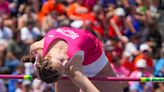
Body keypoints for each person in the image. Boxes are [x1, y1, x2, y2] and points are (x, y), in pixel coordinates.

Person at [22, 27, 123, 92]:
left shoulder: (38, 47)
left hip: (95, 66)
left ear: (47, 56)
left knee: (71, 70)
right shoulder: (40, 51)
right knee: (67, 74)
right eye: (63, 70)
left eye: (61, 61)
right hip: (73, 69)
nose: (65, 61)